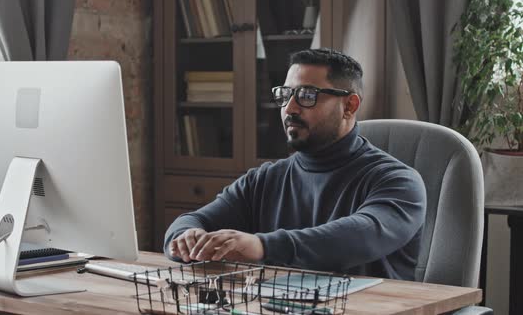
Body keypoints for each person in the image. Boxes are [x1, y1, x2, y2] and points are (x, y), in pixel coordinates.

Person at [164, 48, 426, 280]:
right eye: (286, 94)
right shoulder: (264, 180)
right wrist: (187, 237)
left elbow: (360, 235)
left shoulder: (399, 182)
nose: (289, 108)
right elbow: (191, 220)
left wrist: (262, 246)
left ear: (349, 105)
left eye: (307, 95)